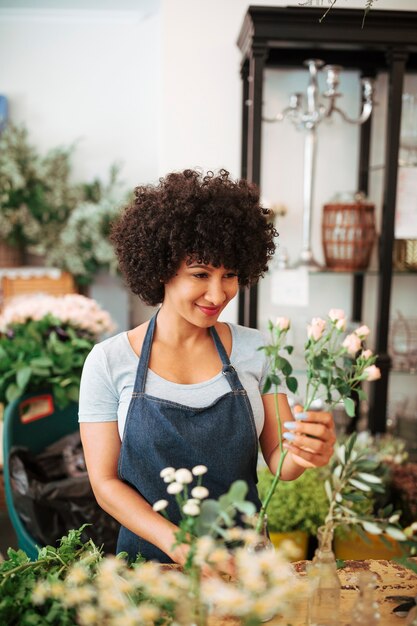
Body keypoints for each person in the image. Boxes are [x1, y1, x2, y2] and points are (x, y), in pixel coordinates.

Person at [79, 168, 336, 564]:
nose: (218, 294)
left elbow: (281, 463)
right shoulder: (108, 362)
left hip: (243, 565)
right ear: (161, 269)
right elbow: (106, 484)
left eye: (230, 275)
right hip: (147, 572)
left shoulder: (258, 350)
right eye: (200, 274)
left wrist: (309, 450)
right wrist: (184, 546)